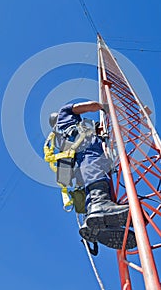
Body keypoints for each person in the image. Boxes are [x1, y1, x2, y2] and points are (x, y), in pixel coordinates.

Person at [49, 101, 136, 250]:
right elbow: (91, 105)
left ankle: (95, 222)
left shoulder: (58, 137)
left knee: (93, 175)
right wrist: (104, 106)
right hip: (85, 148)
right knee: (95, 168)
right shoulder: (65, 112)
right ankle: (100, 206)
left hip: (78, 165)